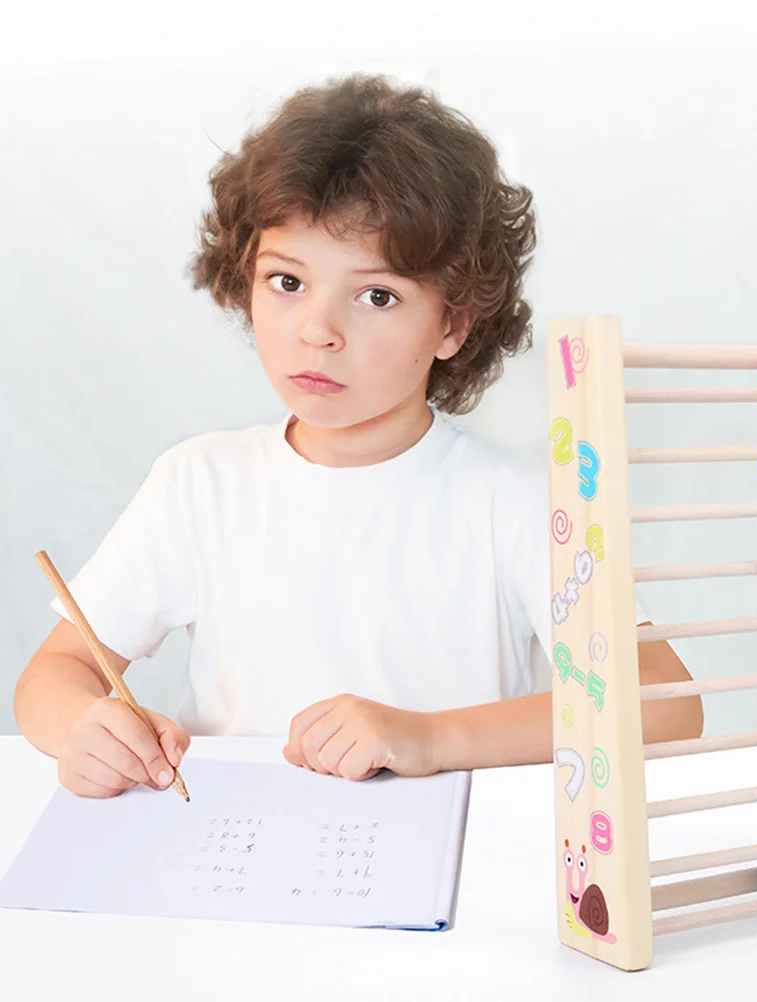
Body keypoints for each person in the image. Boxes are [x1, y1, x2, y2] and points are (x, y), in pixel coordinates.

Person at [14, 73, 702, 799]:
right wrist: (84, 727)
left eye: (377, 295)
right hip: (229, 861)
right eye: (287, 282)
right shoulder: (199, 483)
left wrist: (430, 737)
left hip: (459, 873)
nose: (318, 331)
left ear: (454, 324)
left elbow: (664, 701)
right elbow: (55, 675)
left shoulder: (519, 502)